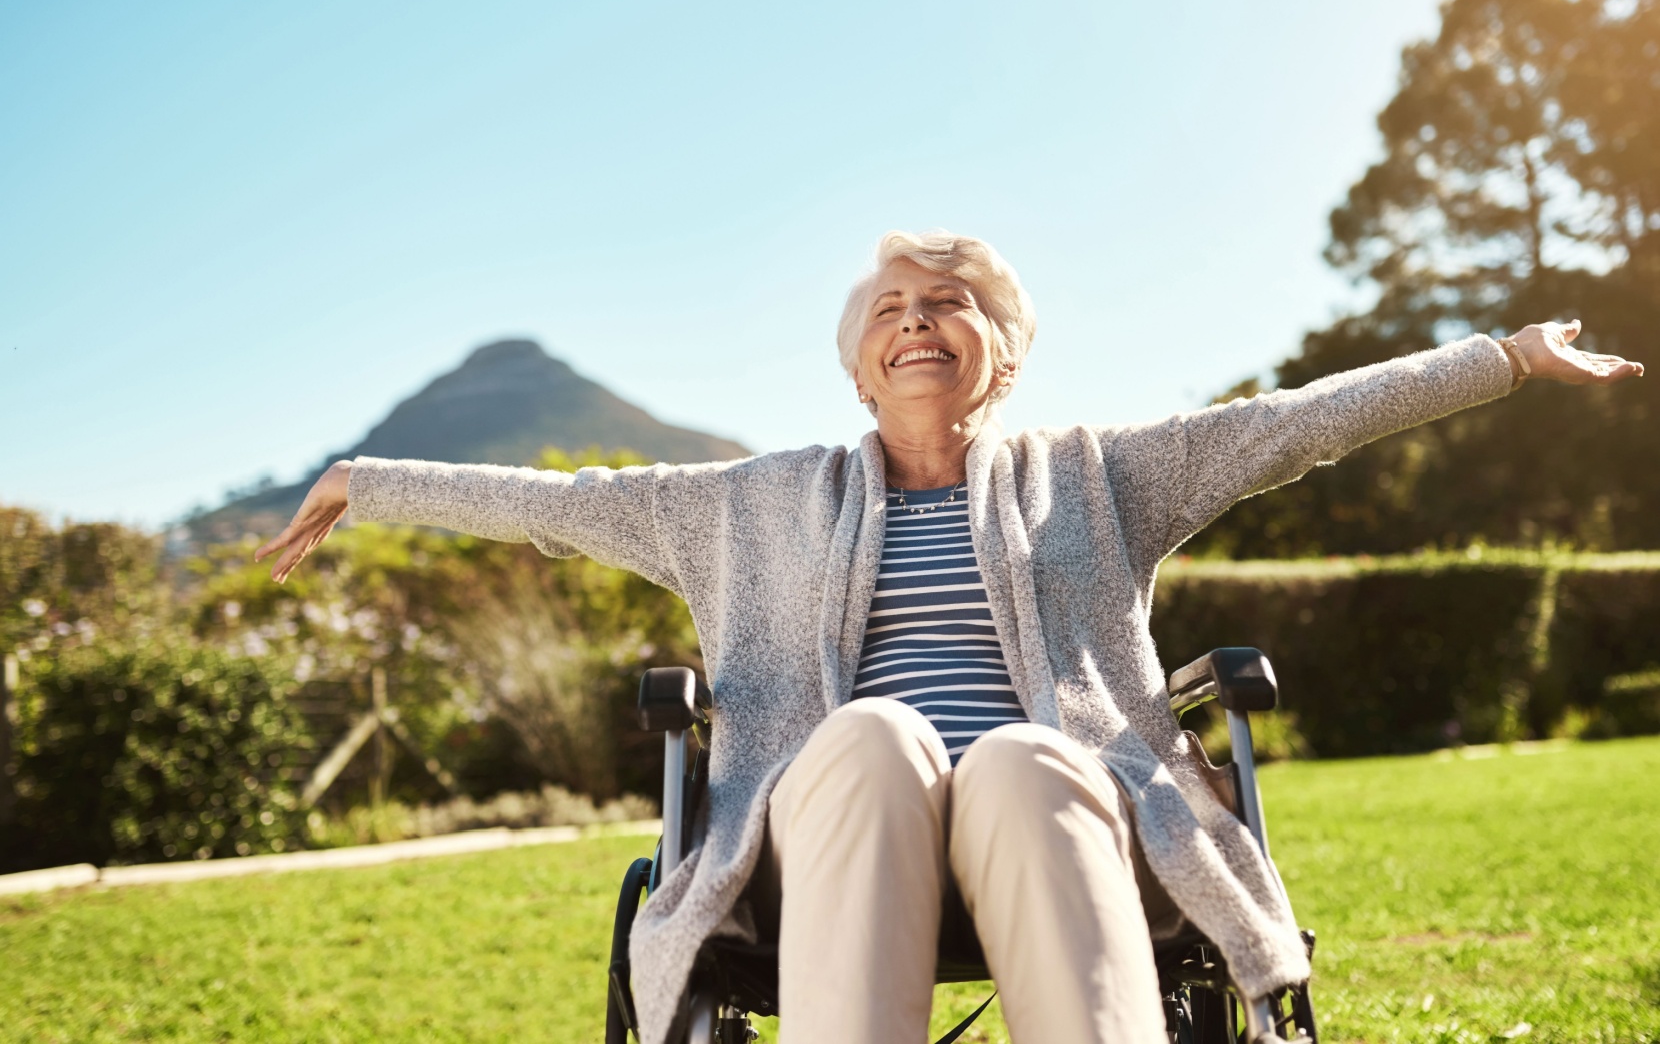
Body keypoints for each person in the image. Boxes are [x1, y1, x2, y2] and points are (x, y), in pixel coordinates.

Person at [255, 231, 1642, 1044]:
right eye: (892, 309)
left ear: (1006, 348)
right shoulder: (743, 503)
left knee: (1035, 760)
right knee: (870, 733)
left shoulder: (1106, 474)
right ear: (859, 357)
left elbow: (1294, 424)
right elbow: (554, 505)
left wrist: (1504, 356)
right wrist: (370, 480)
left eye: (952, 302)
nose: (920, 322)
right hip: (827, 839)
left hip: (1058, 823)